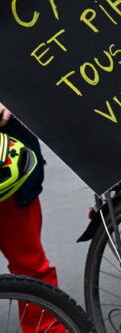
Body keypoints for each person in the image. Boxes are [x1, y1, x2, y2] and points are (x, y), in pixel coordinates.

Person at [0, 103, 65, 333]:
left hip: (7, 171)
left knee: (30, 267)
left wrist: (11, 98)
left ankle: (45, 328)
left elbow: (31, 75)